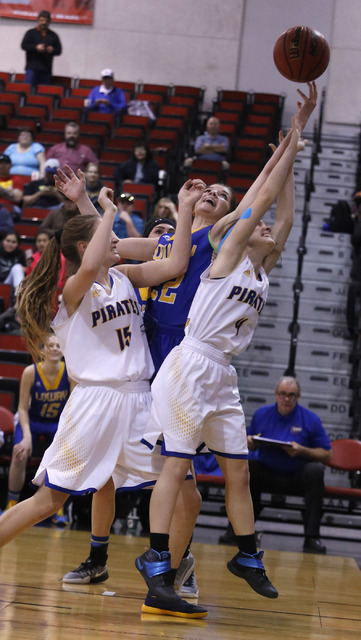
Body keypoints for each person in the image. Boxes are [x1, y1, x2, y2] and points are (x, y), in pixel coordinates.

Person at [63, 84, 318, 607]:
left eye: (223, 196)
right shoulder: (171, 245)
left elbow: (264, 206)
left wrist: (286, 155)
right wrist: (88, 204)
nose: (215, 196)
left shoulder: (222, 239)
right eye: (210, 192)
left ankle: (173, 564)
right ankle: (118, 557)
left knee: (189, 484)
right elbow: (103, 249)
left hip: (203, 368)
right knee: (135, 474)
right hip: (161, 364)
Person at [8, 174, 207, 619]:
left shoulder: (123, 276)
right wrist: (105, 210)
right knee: (49, 501)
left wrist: (185, 205)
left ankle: (165, 582)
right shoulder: (72, 295)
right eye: (108, 238)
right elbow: (94, 254)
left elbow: (173, 262)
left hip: (141, 401)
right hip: (96, 403)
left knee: (188, 497)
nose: (116, 241)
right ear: (86, 247)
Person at [135, 115, 308, 616]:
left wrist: (292, 160)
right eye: (259, 222)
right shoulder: (227, 250)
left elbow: (286, 219)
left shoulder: (261, 269)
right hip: (190, 364)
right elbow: (262, 202)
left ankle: (248, 555)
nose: (269, 228)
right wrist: (293, 140)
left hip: (222, 375)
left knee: (239, 474)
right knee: (177, 464)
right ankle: (158, 556)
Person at [247, 376, 332, 554]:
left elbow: (326, 454)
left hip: (297, 476)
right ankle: (241, 532)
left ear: (298, 396)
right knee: (248, 467)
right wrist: (250, 442)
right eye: (283, 394)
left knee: (316, 470)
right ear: (276, 394)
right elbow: (245, 442)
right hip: (267, 472)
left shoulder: (311, 419)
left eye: (291, 395)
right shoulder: (261, 414)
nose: (286, 398)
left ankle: (312, 537)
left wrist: (303, 450)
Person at [3, 333, 70, 527]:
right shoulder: (30, 372)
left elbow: (73, 407)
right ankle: (12, 502)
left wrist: (65, 436)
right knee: (19, 454)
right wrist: (26, 437)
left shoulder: (70, 371)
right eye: (51, 345)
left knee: (63, 457)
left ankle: (58, 508)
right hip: (32, 421)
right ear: (42, 351)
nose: (56, 348)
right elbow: (22, 408)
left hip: (57, 423)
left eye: (59, 345)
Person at [21, 10, 62, 88]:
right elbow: (24, 45)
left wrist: (52, 50)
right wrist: (36, 48)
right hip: (32, 68)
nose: (44, 23)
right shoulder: (30, 33)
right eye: (42, 20)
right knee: (28, 90)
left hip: (46, 70)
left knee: (44, 93)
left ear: (49, 21)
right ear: (38, 20)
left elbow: (59, 50)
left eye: (46, 21)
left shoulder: (53, 35)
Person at [0, 154, 23, 229]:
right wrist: (9, 193)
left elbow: (17, 198)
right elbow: (13, 195)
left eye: (5, 163)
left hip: (9, 209)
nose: (2, 166)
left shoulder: (16, 179)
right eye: (0, 163)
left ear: (10, 165)